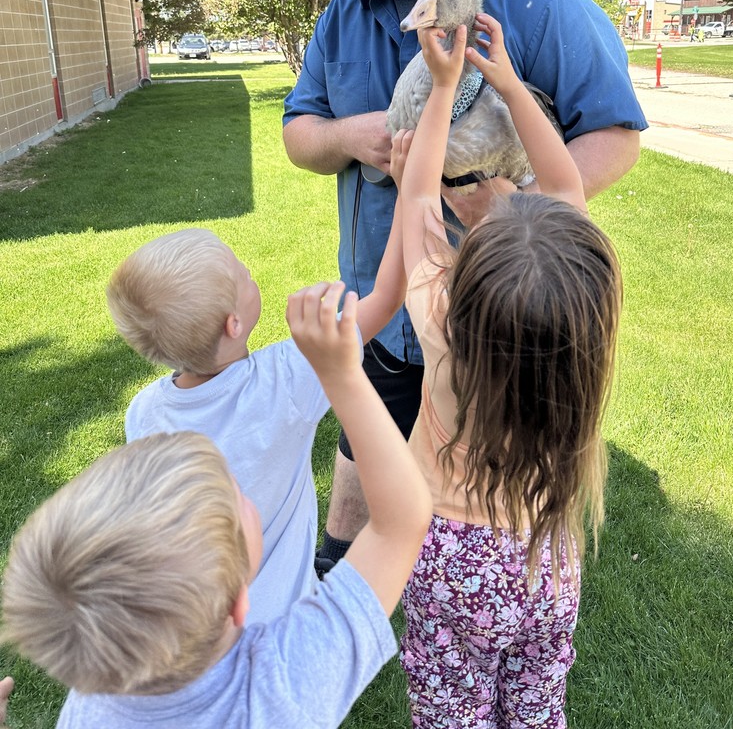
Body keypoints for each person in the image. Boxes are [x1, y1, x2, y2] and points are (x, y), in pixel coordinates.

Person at [276, 0, 645, 570]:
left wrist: (523, 211)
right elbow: (297, 135)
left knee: (489, 489)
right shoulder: (339, 17)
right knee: (361, 463)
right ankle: (337, 579)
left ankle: (487, 588)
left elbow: (614, 133)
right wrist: (350, 137)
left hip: (487, 318)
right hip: (378, 308)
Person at [0, 284, 433, 729]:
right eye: (238, 497)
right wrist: (341, 375)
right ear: (239, 605)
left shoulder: (90, 710)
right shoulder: (284, 681)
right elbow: (401, 521)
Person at [392, 13, 623, 727]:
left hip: (450, 559)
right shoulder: (589, 308)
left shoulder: (441, 323)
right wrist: (511, 85)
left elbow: (419, 201)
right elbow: (562, 186)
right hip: (549, 553)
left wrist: (441, 91)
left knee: (452, 707)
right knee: (535, 702)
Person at [106, 224, 404, 618]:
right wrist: (410, 191)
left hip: (206, 625)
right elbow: (384, 299)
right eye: (241, 272)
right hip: (286, 624)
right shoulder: (286, 380)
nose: (249, 271)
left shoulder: (144, 412)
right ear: (233, 324)